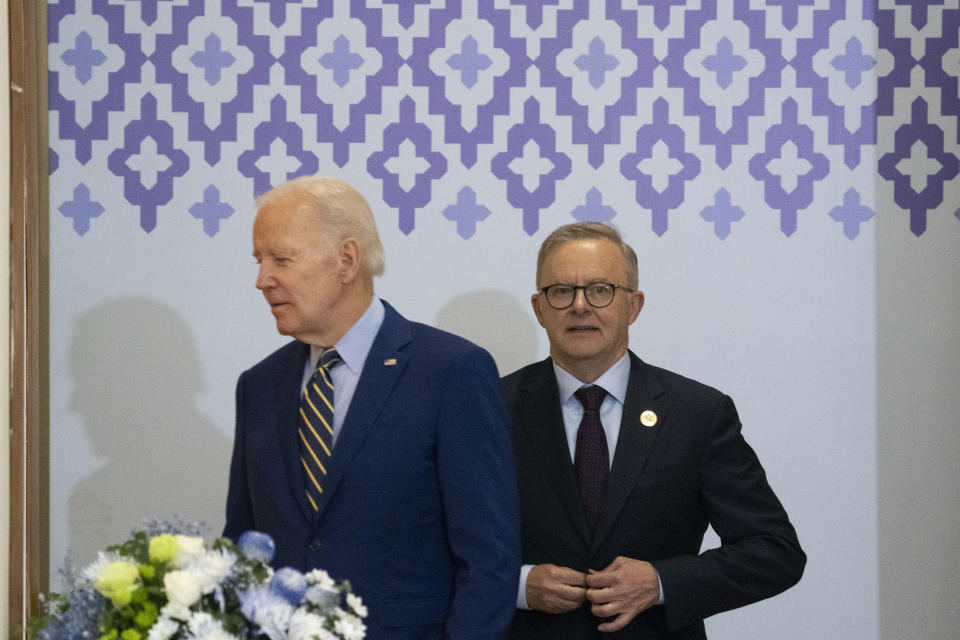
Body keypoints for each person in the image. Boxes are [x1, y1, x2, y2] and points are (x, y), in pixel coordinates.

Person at [223, 175, 520, 640]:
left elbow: (488, 559)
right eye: (259, 261)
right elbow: (244, 546)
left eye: (281, 259)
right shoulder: (258, 386)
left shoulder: (451, 372)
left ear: (346, 260)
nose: (262, 280)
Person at [501, 222, 805, 639]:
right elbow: (430, 547)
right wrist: (514, 585)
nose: (579, 306)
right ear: (539, 308)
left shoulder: (697, 413)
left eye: (600, 289)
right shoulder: (491, 408)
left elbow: (774, 551)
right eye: (561, 291)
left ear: (634, 305)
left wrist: (660, 582)